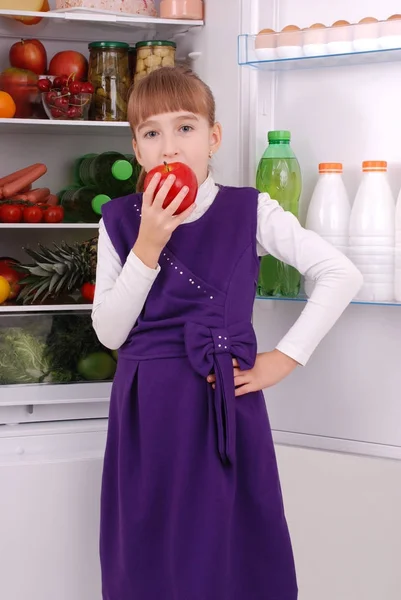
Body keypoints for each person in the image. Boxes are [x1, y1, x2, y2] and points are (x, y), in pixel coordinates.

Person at [92, 66, 362, 600]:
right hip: (146, 412)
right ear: (137, 150)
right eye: (152, 133)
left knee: (228, 553)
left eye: (185, 128)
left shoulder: (249, 209)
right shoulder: (120, 220)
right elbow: (109, 332)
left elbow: (339, 273)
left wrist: (281, 360)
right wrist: (148, 243)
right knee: (147, 551)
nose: (170, 147)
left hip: (223, 404)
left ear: (213, 138)